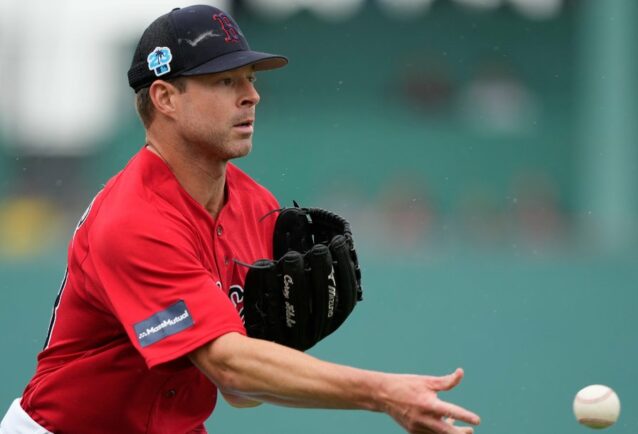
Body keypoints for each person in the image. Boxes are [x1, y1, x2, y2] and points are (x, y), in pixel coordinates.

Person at [0, 5, 481, 434]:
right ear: (166, 98)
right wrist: (382, 393)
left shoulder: (255, 206)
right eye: (225, 81)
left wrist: (279, 347)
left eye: (251, 78)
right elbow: (227, 366)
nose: (251, 95)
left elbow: (238, 392)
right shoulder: (132, 218)